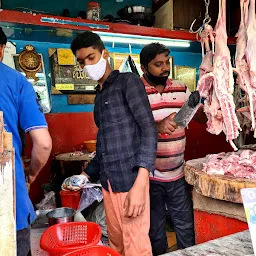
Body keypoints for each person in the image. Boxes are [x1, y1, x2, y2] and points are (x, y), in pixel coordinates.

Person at [71, 31, 157, 256]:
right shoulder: (99, 96)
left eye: (91, 58)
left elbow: (149, 130)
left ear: (104, 54)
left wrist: (140, 184)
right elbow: (104, 144)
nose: (87, 65)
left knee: (136, 248)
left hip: (130, 183)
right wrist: (87, 176)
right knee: (117, 245)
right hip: (109, 184)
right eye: (82, 62)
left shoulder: (127, 82)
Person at [140, 43, 209, 255]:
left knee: (185, 226)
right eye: (157, 64)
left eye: (166, 63)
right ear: (144, 68)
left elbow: (200, 117)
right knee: (155, 230)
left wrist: (204, 102)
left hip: (178, 174)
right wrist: (156, 127)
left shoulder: (180, 88)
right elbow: (129, 130)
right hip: (149, 177)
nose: (164, 68)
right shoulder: (136, 92)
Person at [0, 27, 52, 256]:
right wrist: (30, 175)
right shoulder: (16, 82)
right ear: (1, 50)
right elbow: (43, 143)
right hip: (9, 203)